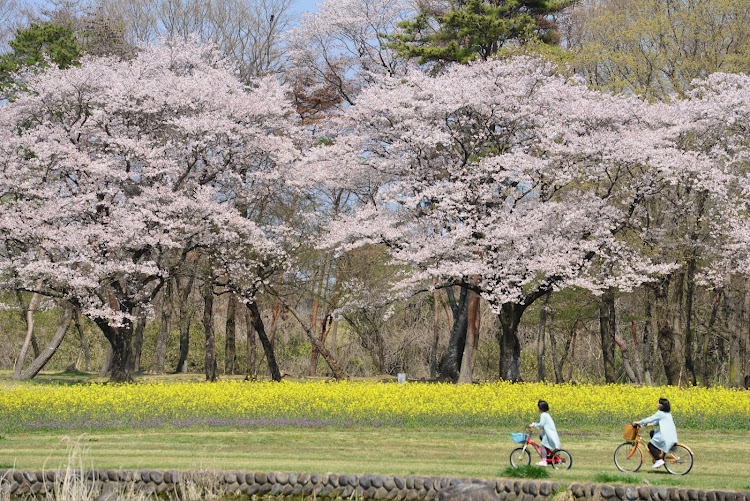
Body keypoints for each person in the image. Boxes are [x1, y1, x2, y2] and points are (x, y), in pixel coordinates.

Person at [632, 398, 678, 469]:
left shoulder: (660, 413)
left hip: (665, 435)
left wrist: (639, 422)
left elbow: (651, 418)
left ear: (661, 405)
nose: (656, 404)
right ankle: (658, 453)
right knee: (652, 433)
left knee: (650, 445)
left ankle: (658, 460)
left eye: (658, 403)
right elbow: (658, 421)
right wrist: (650, 424)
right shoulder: (667, 414)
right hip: (672, 435)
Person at [528, 400, 560, 466]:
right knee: (541, 437)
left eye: (538, 407)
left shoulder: (543, 415)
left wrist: (533, 424)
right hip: (549, 433)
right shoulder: (546, 415)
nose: (537, 408)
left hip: (549, 434)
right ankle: (546, 454)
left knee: (543, 445)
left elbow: (541, 425)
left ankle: (544, 461)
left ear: (541, 408)